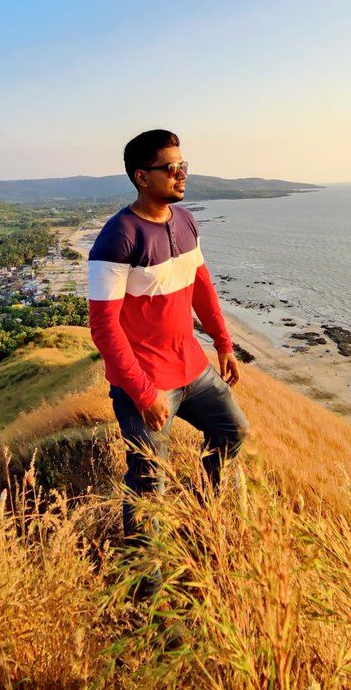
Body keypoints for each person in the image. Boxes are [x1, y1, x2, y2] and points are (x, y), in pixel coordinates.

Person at [88, 129, 249, 555]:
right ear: (142, 177)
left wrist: (223, 343)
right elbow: (103, 328)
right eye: (170, 168)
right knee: (148, 485)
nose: (181, 174)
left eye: (183, 166)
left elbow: (201, 285)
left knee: (232, 431)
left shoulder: (186, 220)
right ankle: (148, 587)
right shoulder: (117, 238)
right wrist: (142, 392)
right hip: (146, 381)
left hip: (193, 368)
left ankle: (201, 516)